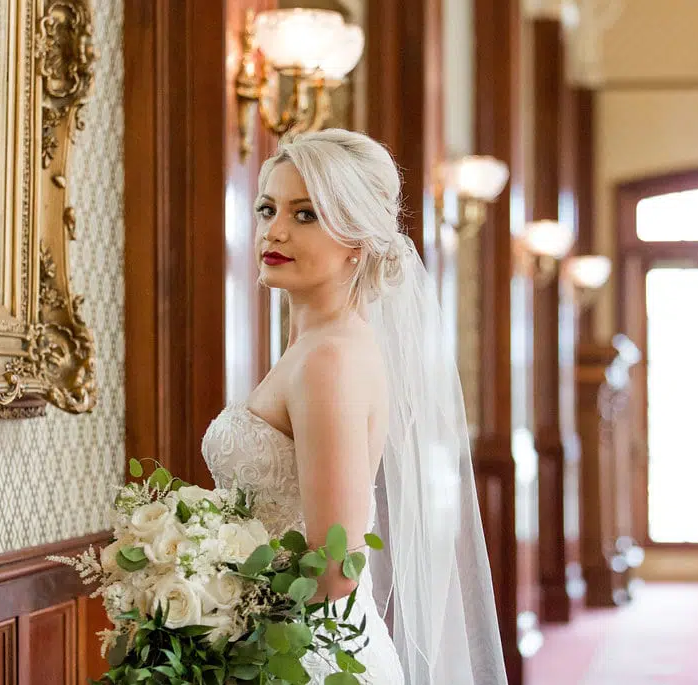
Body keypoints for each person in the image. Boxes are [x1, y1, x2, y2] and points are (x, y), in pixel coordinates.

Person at [201, 129, 507, 685]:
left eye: (306, 215)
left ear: (358, 241)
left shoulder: (329, 361)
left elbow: (336, 568)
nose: (274, 229)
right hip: (286, 643)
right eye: (268, 208)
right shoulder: (318, 346)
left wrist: (208, 590)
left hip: (305, 655)